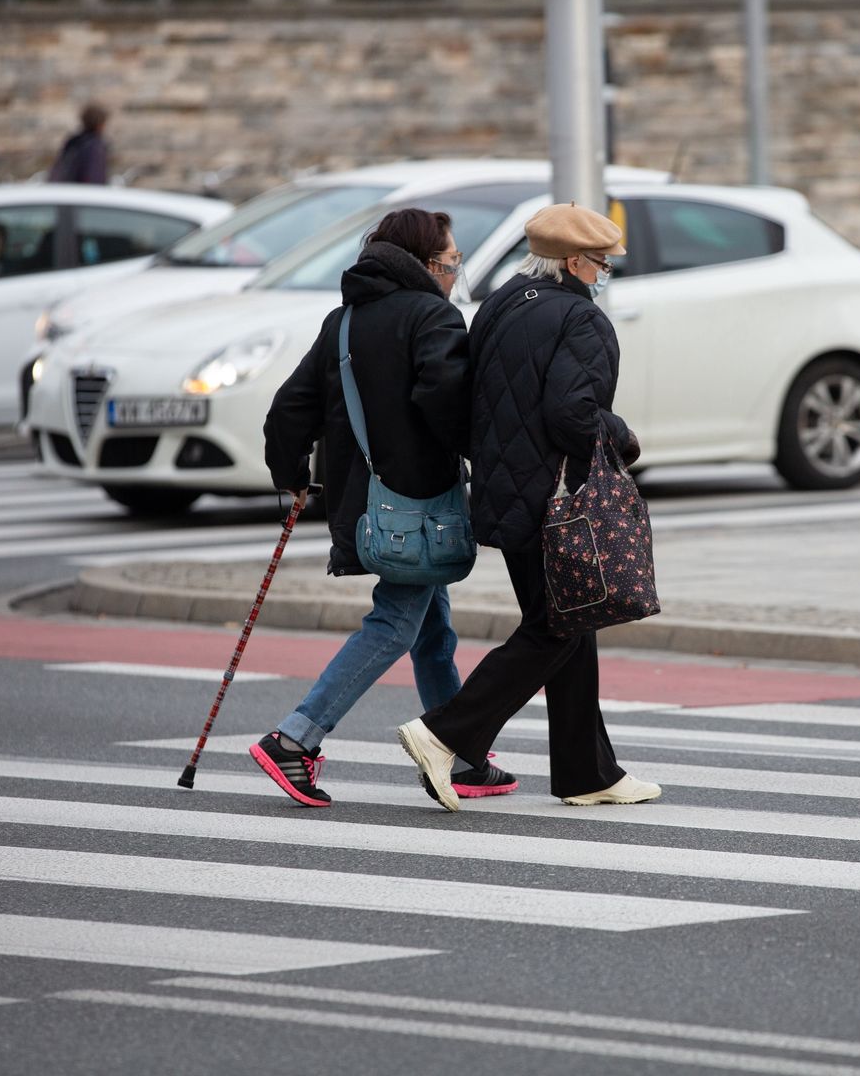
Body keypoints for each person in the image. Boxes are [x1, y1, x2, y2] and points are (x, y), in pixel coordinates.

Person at [397, 202, 662, 812]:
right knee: (556, 626)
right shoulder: (582, 321)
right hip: (556, 504)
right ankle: (445, 732)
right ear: (573, 261)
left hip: (503, 494)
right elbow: (572, 415)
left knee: (572, 621)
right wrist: (619, 435)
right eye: (602, 263)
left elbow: (471, 403)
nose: (605, 274)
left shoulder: (500, 304)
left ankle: (586, 772)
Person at [252, 208, 517, 807]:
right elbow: (446, 400)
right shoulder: (433, 317)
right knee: (398, 622)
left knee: (432, 629)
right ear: (426, 265)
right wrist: (484, 456)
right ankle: (295, 738)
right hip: (418, 510)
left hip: (366, 506)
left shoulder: (343, 322)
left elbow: (288, 410)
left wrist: (290, 478)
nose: (455, 275)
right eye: (452, 263)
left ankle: (460, 751)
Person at [48, 102, 111, 185]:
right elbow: (94, 176)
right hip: (83, 193)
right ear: (100, 124)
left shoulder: (74, 141)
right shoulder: (94, 146)